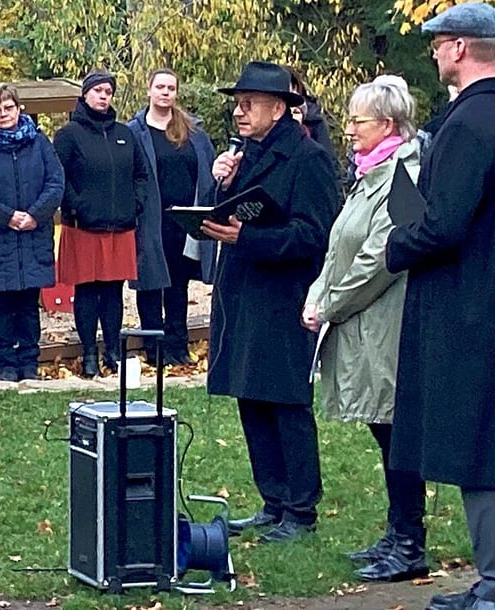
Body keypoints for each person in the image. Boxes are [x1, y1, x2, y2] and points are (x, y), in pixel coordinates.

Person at [385, 5, 495, 609]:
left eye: (441, 43)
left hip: (472, 307)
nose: (436, 53)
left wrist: (397, 243)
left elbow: (445, 223)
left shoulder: (470, 124)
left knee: (485, 447)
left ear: (462, 49)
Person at [204, 61, 338, 543]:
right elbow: (226, 216)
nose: (239, 112)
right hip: (243, 294)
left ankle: (300, 509)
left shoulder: (308, 158)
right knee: (251, 398)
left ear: (278, 108)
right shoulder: (247, 153)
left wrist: (249, 239)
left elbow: (316, 234)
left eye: (248, 104)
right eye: (237, 104)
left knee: (284, 402)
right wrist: (218, 185)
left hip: (283, 298)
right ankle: (273, 500)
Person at [302, 75, 427, 581]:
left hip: (388, 325)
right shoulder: (369, 173)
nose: (349, 128)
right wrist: (319, 293)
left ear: (390, 124)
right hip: (364, 323)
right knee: (386, 431)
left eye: (359, 120)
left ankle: (410, 540)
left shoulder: (405, 175)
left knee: (396, 431)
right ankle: (397, 532)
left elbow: (382, 258)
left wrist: (329, 303)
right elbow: (342, 246)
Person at [0, 83, 64, 381]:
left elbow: (55, 182)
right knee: (2, 305)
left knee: (29, 305)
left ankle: (29, 362)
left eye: (8, 108)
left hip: (33, 234)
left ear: (19, 108)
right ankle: (5, 362)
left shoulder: (40, 142)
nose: (3, 114)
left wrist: (35, 214)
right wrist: (6, 216)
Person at [55, 71, 148, 377]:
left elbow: (140, 174)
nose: (103, 96)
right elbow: (59, 178)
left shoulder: (125, 133)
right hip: (83, 227)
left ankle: (112, 352)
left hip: (120, 226)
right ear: (85, 95)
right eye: (97, 90)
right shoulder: (69, 134)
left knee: (113, 292)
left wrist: (135, 203)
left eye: (107, 91)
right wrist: (77, 206)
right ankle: (88, 353)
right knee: (86, 292)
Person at [127, 68, 218, 366]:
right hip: (151, 220)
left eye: (171, 88)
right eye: (160, 87)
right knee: (152, 283)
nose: (166, 92)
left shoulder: (192, 131)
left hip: (186, 220)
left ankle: (178, 346)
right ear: (149, 90)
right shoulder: (134, 132)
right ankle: (154, 349)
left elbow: (208, 170)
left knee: (178, 285)